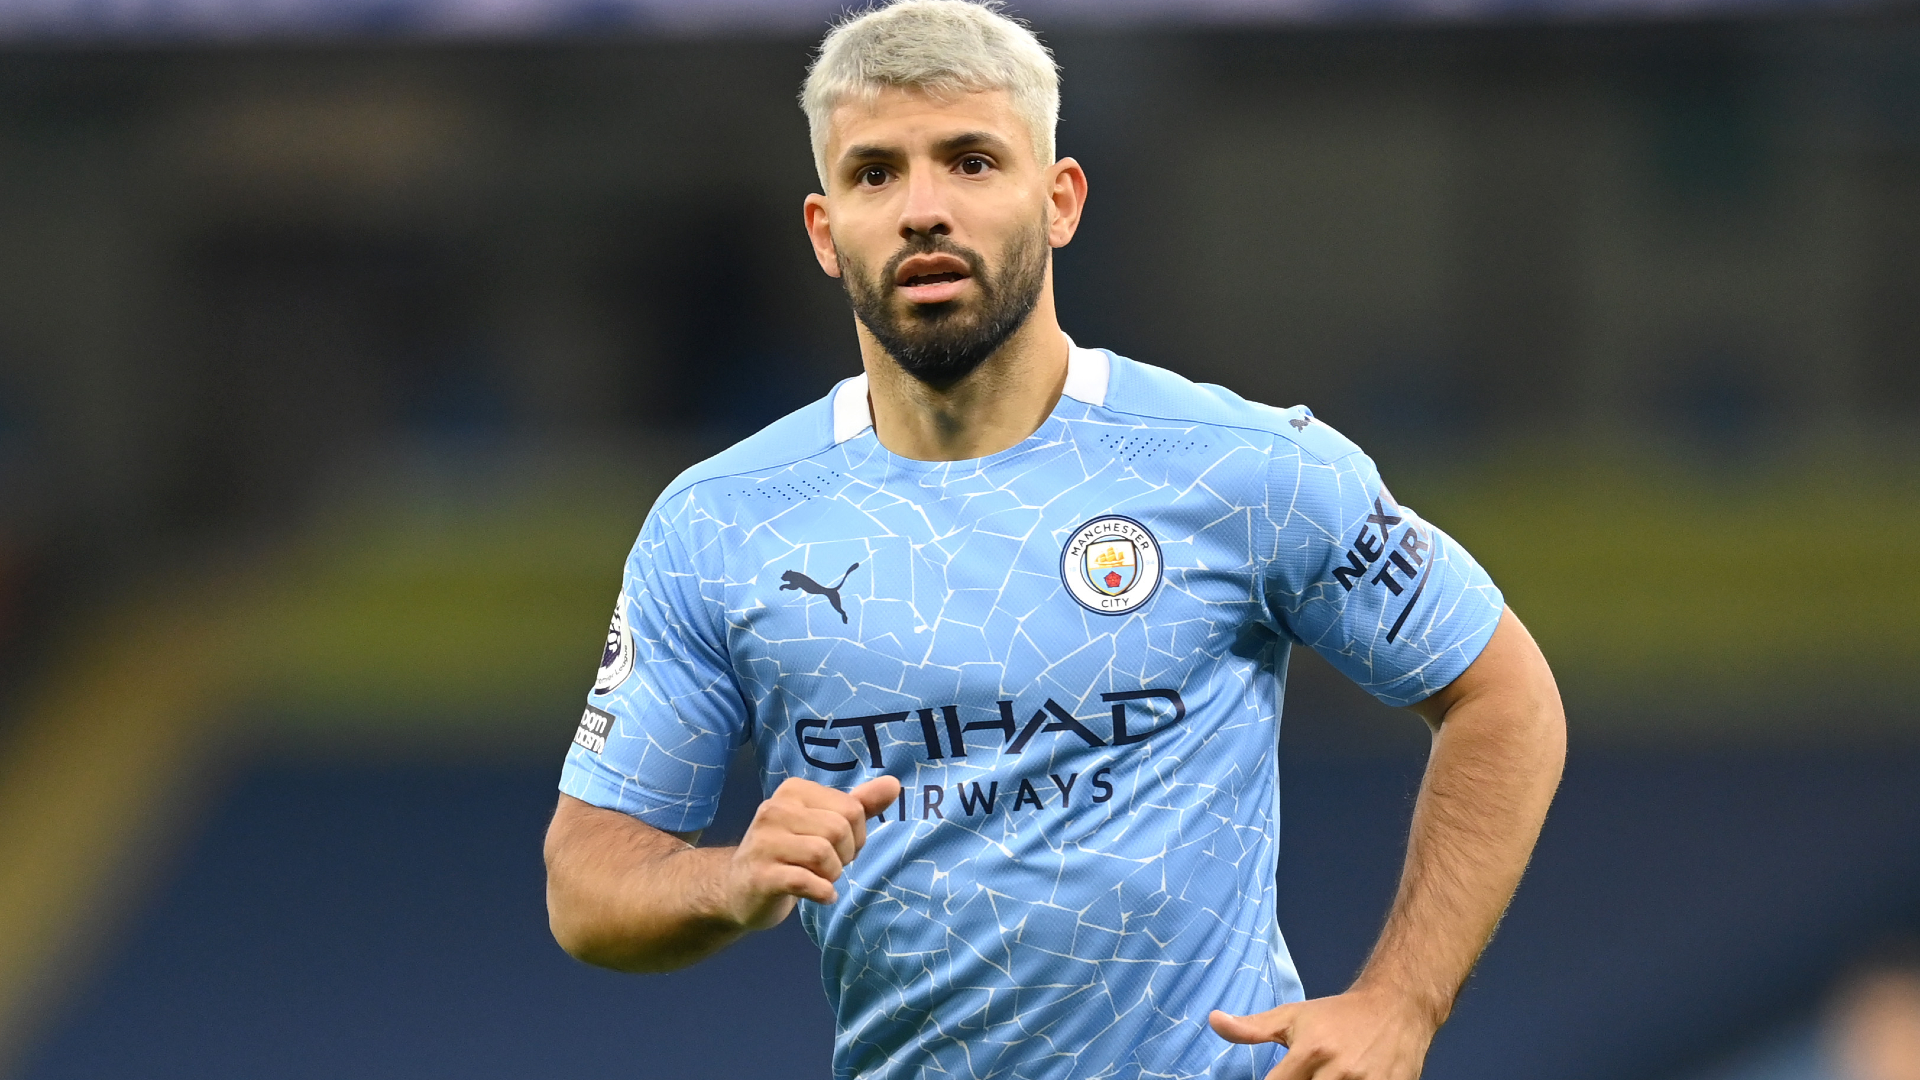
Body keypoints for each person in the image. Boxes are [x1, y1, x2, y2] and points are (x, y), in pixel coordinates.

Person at [542, 2, 1567, 1077]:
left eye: (972, 162)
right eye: (875, 173)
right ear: (824, 231)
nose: (923, 210)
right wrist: (731, 880)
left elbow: (1504, 696)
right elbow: (587, 880)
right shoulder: (720, 520)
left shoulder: (1245, 469)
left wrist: (1402, 1003)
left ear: (1060, 199)